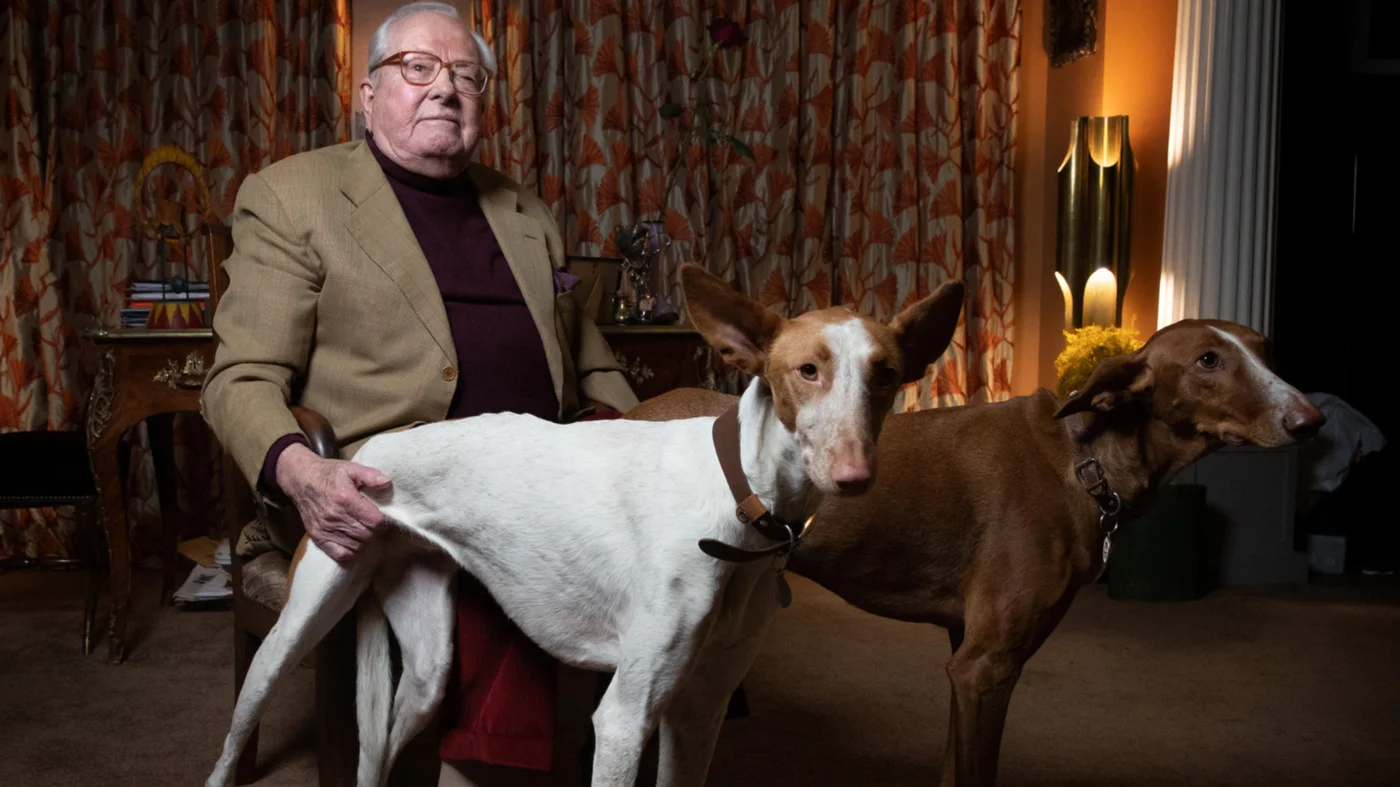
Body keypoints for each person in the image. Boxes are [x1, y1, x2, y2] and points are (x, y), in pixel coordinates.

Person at [200, 2, 638, 784]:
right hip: (393, 481)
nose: (445, 88)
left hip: (545, 462)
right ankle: (485, 772)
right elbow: (241, 378)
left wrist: (652, 454)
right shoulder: (293, 195)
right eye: (418, 68)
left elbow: (592, 365)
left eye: (466, 75)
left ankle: (629, 741)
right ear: (367, 96)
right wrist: (304, 472)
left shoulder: (524, 210)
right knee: (507, 537)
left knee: (694, 551)